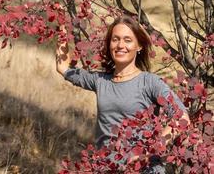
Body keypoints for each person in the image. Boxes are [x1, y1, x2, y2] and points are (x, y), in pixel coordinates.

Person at [56, 15, 190, 173]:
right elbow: (63, 67)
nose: (120, 45)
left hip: (145, 170)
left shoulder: (150, 82)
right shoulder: (100, 81)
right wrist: (61, 25)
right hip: (108, 168)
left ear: (139, 46)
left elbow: (182, 118)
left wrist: (149, 151)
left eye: (127, 40)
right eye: (115, 39)